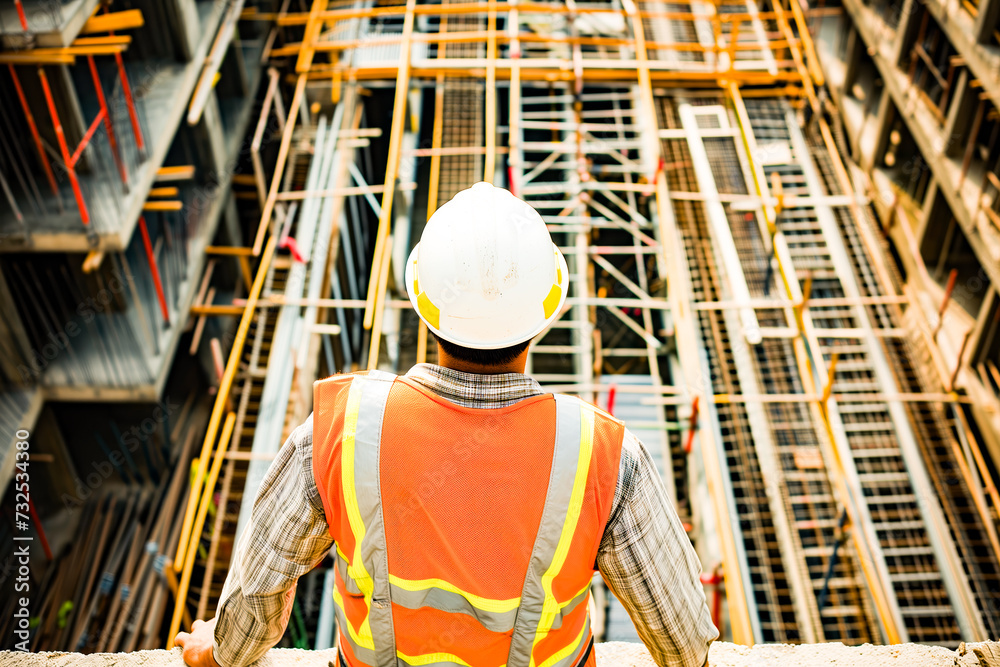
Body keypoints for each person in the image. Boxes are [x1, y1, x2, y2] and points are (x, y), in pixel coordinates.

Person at [175, 182, 717, 667]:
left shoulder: (340, 428)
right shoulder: (604, 455)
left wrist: (220, 650)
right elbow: (685, 643)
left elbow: (259, 591)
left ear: (425, 305)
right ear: (544, 314)